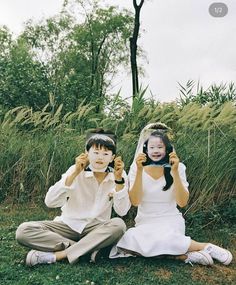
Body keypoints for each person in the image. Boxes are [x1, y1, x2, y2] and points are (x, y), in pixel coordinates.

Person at [110, 123, 233, 266]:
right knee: (129, 239)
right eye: (152, 147)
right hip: (146, 220)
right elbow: (136, 202)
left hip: (170, 219)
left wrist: (174, 171)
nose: (156, 151)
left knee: (163, 238)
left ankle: (205, 246)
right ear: (145, 149)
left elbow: (182, 202)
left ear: (167, 149)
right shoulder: (136, 168)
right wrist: (139, 171)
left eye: (160, 147)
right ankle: (183, 256)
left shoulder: (178, 167)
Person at [16, 128, 131, 266]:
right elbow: (50, 202)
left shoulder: (119, 174)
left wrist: (119, 182)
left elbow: (122, 211)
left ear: (112, 157)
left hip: (96, 228)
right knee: (23, 231)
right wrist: (76, 172)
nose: (100, 157)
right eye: (95, 152)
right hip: (68, 225)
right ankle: (88, 250)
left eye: (105, 153)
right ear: (87, 154)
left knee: (119, 225)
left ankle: (60, 255)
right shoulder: (75, 170)